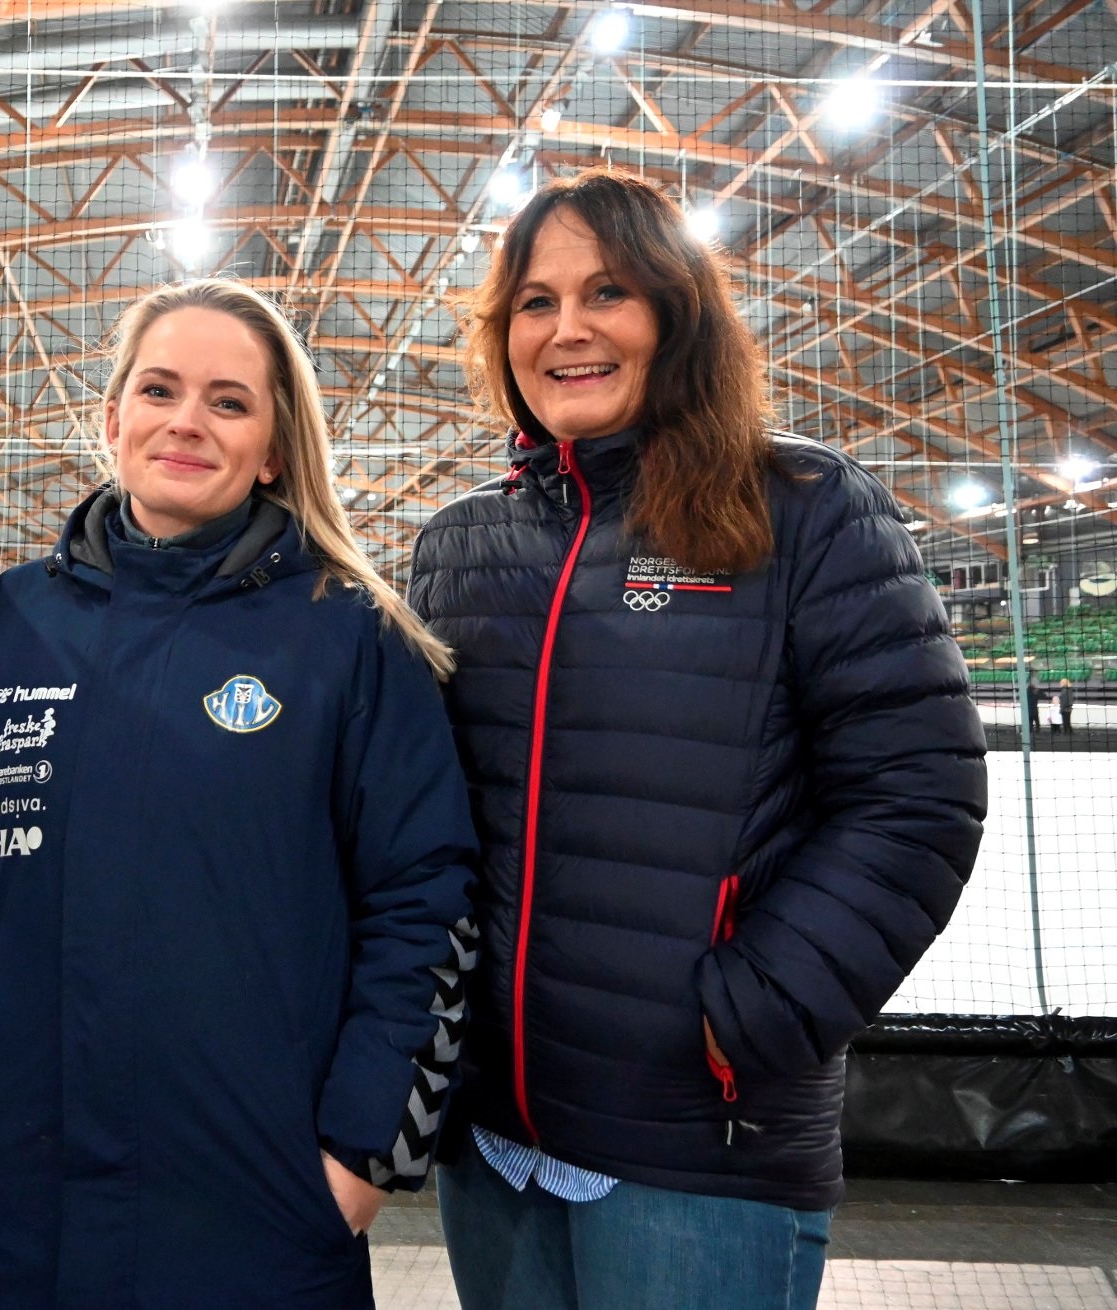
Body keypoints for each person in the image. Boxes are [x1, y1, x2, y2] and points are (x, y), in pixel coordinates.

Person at [409, 171, 987, 1310]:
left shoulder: (806, 510)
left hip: (696, 1150)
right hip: (492, 1140)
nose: (565, 327)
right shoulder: (458, 545)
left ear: (676, 315)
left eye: (606, 291)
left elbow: (916, 797)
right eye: (533, 301)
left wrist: (747, 1014)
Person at [0, 279, 480, 1307]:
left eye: (228, 400)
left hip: (253, 1215)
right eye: (158, 389)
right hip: (1, 1207)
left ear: (275, 446)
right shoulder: (13, 619)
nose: (186, 419)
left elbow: (425, 902)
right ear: (113, 418)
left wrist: (361, 1154)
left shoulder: (347, 638)